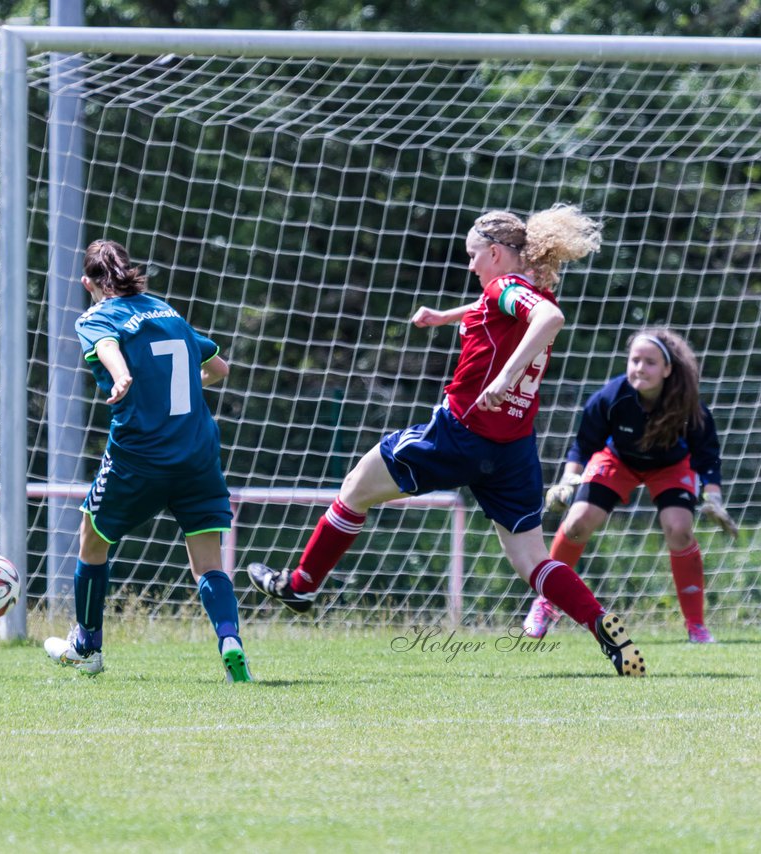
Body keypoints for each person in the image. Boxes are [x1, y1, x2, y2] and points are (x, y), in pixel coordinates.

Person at [248, 204, 649, 676]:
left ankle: (301, 584)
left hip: (459, 433)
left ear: (496, 254)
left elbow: (548, 319)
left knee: (356, 488)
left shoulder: (509, 289)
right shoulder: (519, 288)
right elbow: (508, 307)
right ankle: (601, 624)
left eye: (473, 255)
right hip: (513, 449)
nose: (470, 265)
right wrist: (444, 317)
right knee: (533, 561)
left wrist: (502, 378)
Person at [44, 239, 252, 682]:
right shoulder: (166, 311)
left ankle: (87, 646)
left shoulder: (96, 316)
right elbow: (220, 369)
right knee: (208, 561)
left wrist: (121, 378)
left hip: (139, 457)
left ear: (88, 283)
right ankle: (230, 639)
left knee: (92, 538)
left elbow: (106, 347)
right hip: (197, 453)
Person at [523, 327, 737, 643]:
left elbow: (707, 456)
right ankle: (546, 602)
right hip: (618, 460)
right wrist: (569, 481)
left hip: (670, 466)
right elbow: (583, 446)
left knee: (679, 529)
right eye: (635, 360)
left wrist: (714, 498)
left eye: (650, 362)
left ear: (667, 369)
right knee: (578, 521)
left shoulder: (688, 405)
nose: (640, 367)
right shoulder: (610, 397)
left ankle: (696, 627)